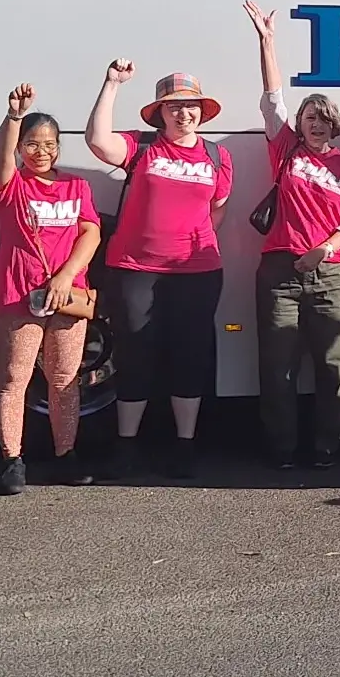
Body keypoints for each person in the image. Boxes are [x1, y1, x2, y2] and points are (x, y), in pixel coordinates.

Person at [86, 63, 233, 478]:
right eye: (174, 108)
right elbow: (97, 141)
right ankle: (127, 446)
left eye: (190, 107)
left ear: (201, 112)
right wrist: (111, 83)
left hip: (198, 272)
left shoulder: (218, 156)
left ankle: (184, 445)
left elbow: (218, 207)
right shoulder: (142, 147)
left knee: (190, 355)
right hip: (136, 268)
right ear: (160, 114)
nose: (183, 114)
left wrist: (192, 238)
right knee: (135, 354)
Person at [244, 2, 340, 470]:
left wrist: (325, 248)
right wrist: (267, 41)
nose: (315, 124)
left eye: (323, 118)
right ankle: (281, 448)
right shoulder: (285, 152)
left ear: (334, 124)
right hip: (280, 274)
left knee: (333, 367)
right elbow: (271, 98)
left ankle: (326, 448)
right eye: (308, 118)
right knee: (278, 368)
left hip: (332, 275)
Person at [0, 83, 100, 494]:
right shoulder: (10, 186)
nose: (41, 151)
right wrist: (14, 117)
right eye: (31, 144)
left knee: (65, 378)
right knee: (14, 377)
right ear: (20, 148)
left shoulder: (76, 187)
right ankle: (12, 460)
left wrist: (67, 275)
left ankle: (64, 455)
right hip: (19, 294)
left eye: (49, 144)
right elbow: (0, 160)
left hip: (67, 296)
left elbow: (90, 231)